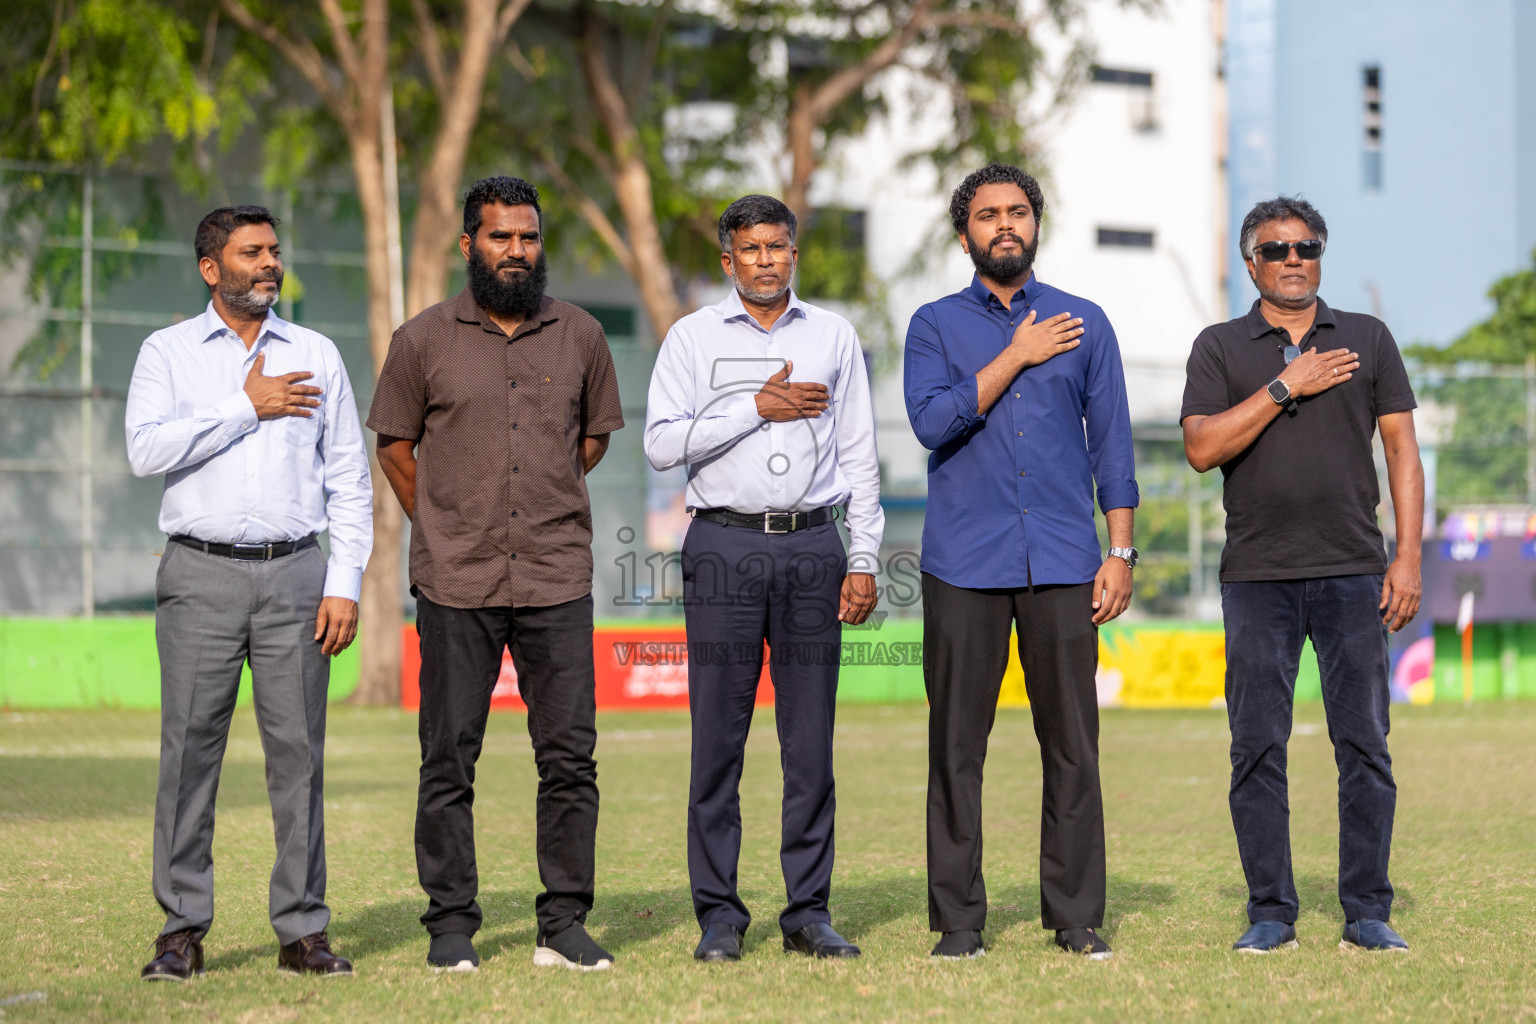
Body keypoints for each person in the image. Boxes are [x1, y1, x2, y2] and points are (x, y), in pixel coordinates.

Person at [368, 176, 625, 973]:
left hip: (556, 577)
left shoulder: (579, 334)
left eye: (528, 237)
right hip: (456, 582)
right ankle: (451, 924)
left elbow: (592, 441)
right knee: (448, 757)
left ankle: (564, 922)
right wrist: (444, 524)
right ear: (467, 244)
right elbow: (395, 448)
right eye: (499, 236)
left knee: (569, 758)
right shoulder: (421, 341)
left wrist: (536, 502)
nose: (516, 251)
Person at [127, 205, 372, 981]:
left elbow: (349, 480)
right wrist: (246, 405)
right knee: (189, 755)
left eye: (273, 251)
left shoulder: (318, 354)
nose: (269, 264)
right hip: (198, 574)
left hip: (299, 575)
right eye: (251, 252)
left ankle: (303, 932)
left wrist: (344, 581)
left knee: (298, 759)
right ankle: (180, 931)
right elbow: (145, 449)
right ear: (211, 268)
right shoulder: (166, 354)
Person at [904, 163, 1138, 961]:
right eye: (987, 214)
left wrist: (1120, 550)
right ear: (963, 232)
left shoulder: (1087, 321)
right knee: (956, 749)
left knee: (1073, 742)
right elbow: (933, 423)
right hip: (962, 565)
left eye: (1017, 212)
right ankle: (959, 924)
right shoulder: (933, 325)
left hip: (1068, 563)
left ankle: (1075, 916)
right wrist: (1016, 354)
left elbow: (1112, 444)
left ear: (1036, 223)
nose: (1004, 224)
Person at [643, 194, 884, 962]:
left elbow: (860, 457)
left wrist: (865, 557)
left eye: (777, 247)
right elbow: (659, 446)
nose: (765, 260)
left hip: (815, 548)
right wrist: (757, 406)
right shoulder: (690, 337)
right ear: (728, 259)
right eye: (749, 249)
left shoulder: (835, 335)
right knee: (718, 738)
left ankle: (808, 912)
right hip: (722, 546)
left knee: (809, 741)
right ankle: (719, 915)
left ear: (793, 254)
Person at [1181, 196, 1422, 954]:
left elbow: (1403, 454)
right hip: (1257, 577)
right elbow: (1201, 447)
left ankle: (1367, 910)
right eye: (1277, 248)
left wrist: (1407, 555)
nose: (1294, 259)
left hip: (1355, 572)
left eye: (1307, 247)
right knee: (1256, 745)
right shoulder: (1219, 346)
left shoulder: (1368, 338)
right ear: (1250, 262)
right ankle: (1271, 912)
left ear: (1321, 256)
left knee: (1365, 745)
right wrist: (1288, 385)